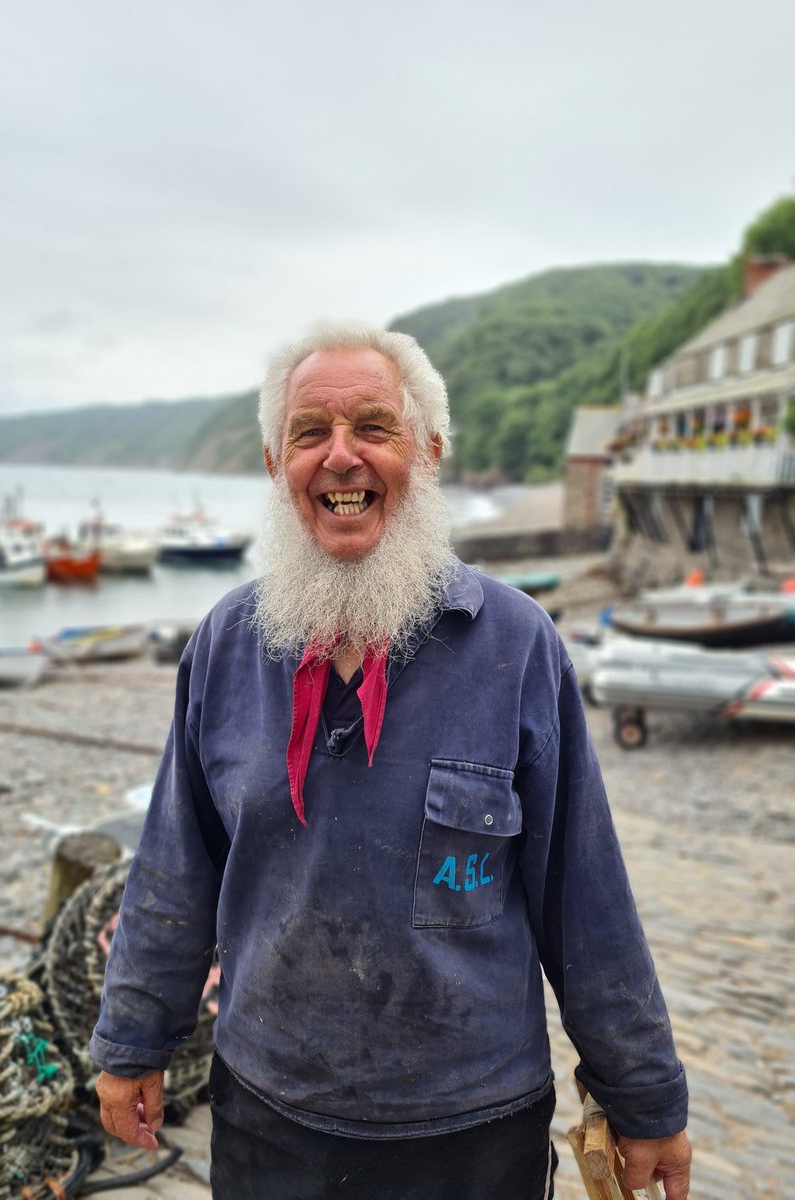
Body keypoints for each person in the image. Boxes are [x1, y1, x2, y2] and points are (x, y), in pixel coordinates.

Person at [91, 326, 691, 1200]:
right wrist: (132, 1042)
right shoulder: (225, 644)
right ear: (274, 463)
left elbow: (584, 894)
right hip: (267, 1115)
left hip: (472, 1131)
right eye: (309, 434)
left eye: (374, 427)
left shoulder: (519, 646)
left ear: (430, 452)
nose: (340, 458)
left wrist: (643, 1096)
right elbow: (175, 869)